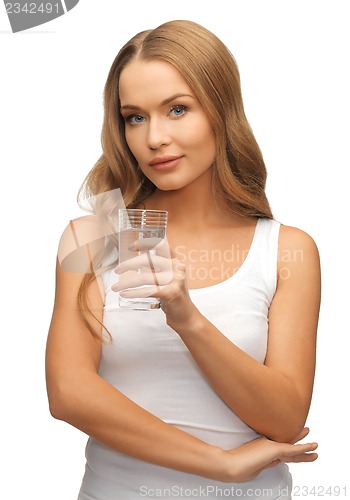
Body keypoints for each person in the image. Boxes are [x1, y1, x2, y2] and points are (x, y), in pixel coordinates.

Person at [45, 20, 321, 500]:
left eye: (177, 109)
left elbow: (285, 418)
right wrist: (221, 465)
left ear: (221, 111)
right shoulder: (92, 236)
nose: (154, 138)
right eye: (135, 117)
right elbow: (69, 394)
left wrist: (186, 317)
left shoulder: (287, 249)